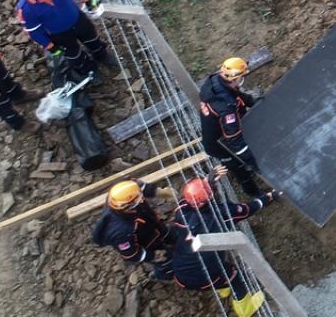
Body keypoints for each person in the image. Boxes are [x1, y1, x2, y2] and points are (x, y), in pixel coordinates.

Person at [166, 168, 275, 316]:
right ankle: (244, 309)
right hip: (200, 277)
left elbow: (190, 198)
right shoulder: (221, 214)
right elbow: (248, 209)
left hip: (180, 269)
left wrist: (207, 181)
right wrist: (268, 197)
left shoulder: (182, 211)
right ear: (210, 198)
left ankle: (222, 288)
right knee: (235, 275)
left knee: (216, 269)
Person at [16, 0, 117, 75]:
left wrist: (87, 0)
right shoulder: (26, 10)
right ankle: (87, 68)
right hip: (60, 35)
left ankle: (102, 55)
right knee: (74, 55)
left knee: (93, 40)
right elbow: (34, 31)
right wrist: (51, 47)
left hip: (78, 20)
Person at [200, 57, 265, 197]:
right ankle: (255, 194)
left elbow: (237, 95)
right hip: (220, 146)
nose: (242, 79)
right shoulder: (226, 107)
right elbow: (234, 140)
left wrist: (252, 102)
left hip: (220, 130)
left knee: (243, 157)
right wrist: (252, 163)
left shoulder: (215, 82)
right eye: (241, 77)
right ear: (234, 78)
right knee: (239, 168)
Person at [91, 179, 178, 270]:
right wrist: (152, 256)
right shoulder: (121, 232)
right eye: (137, 201)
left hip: (151, 224)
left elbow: (138, 186)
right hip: (147, 242)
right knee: (166, 261)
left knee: (164, 232)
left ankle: (168, 236)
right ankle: (165, 273)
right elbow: (132, 254)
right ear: (127, 207)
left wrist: (158, 192)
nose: (141, 201)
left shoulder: (123, 190)